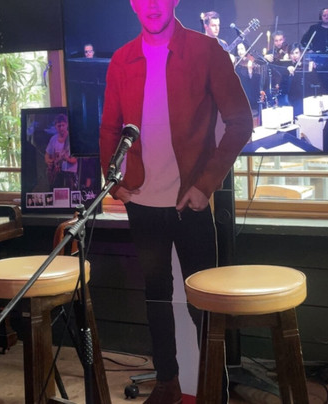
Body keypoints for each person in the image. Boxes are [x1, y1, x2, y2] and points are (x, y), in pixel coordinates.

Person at [99, 1, 253, 403]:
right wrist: (114, 181)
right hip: (141, 201)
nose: (152, 5)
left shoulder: (206, 50)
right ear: (133, 5)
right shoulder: (121, 59)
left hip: (192, 202)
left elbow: (240, 122)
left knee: (205, 304)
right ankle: (167, 383)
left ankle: (215, 391)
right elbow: (109, 128)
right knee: (156, 297)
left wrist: (206, 184)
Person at [44, 114, 78, 190]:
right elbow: (47, 154)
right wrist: (48, 161)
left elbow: (75, 160)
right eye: (59, 126)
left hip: (70, 174)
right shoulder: (53, 139)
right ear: (55, 126)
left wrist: (67, 159)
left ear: (67, 125)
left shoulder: (72, 138)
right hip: (56, 173)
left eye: (63, 125)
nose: (61, 128)